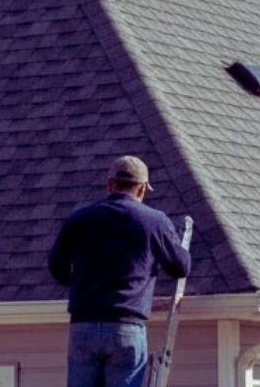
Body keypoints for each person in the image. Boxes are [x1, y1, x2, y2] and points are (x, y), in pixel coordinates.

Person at [47, 155, 192, 387]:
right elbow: (180, 267)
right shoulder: (154, 221)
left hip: (83, 325)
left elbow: (56, 264)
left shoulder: (80, 218)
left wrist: (79, 285)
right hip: (126, 326)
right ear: (142, 189)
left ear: (110, 185)